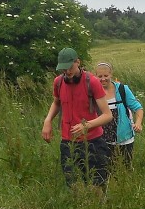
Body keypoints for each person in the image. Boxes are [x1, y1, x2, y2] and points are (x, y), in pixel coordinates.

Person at [42, 48, 113, 187]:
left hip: (92, 142)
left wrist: (86, 125)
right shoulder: (58, 82)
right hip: (68, 143)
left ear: (78, 62)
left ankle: (98, 208)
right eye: (63, 69)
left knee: (97, 183)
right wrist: (48, 120)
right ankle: (79, 207)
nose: (67, 72)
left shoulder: (92, 82)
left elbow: (107, 115)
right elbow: (56, 102)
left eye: (70, 67)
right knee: (72, 183)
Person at [94, 61, 144, 167]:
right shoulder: (93, 92)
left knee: (125, 169)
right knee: (106, 171)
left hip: (124, 139)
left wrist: (138, 123)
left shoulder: (122, 89)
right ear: (96, 76)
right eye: (100, 76)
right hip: (102, 140)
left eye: (106, 75)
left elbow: (138, 108)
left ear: (111, 74)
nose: (103, 79)